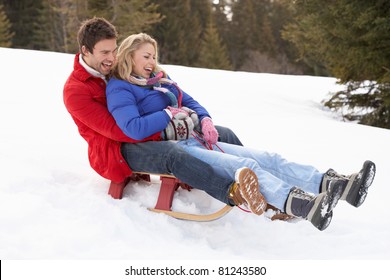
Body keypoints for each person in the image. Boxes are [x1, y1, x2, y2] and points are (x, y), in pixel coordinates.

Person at [106, 32, 377, 231]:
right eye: (146, 56)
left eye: (154, 55)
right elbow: (133, 127)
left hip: (194, 137)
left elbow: (190, 102)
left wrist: (206, 120)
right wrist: (166, 114)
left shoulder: (160, 80)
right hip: (176, 147)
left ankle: (338, 186)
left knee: (268, 157)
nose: (152, 61)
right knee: (243, 165)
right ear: (130, 55)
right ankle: (301, 205)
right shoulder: (120, 88)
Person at [63, 17, 265, 223]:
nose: (112, 57)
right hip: (116, 149)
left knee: (225, 133)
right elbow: (117, 131)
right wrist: (167, 126)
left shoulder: (116, 70)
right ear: (85, 51)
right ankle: (232, 191)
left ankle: (263, 184)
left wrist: (199, 120)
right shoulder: (76, 91)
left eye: (114, 51)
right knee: (173, 154)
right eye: (105, 52)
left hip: (147, 129)